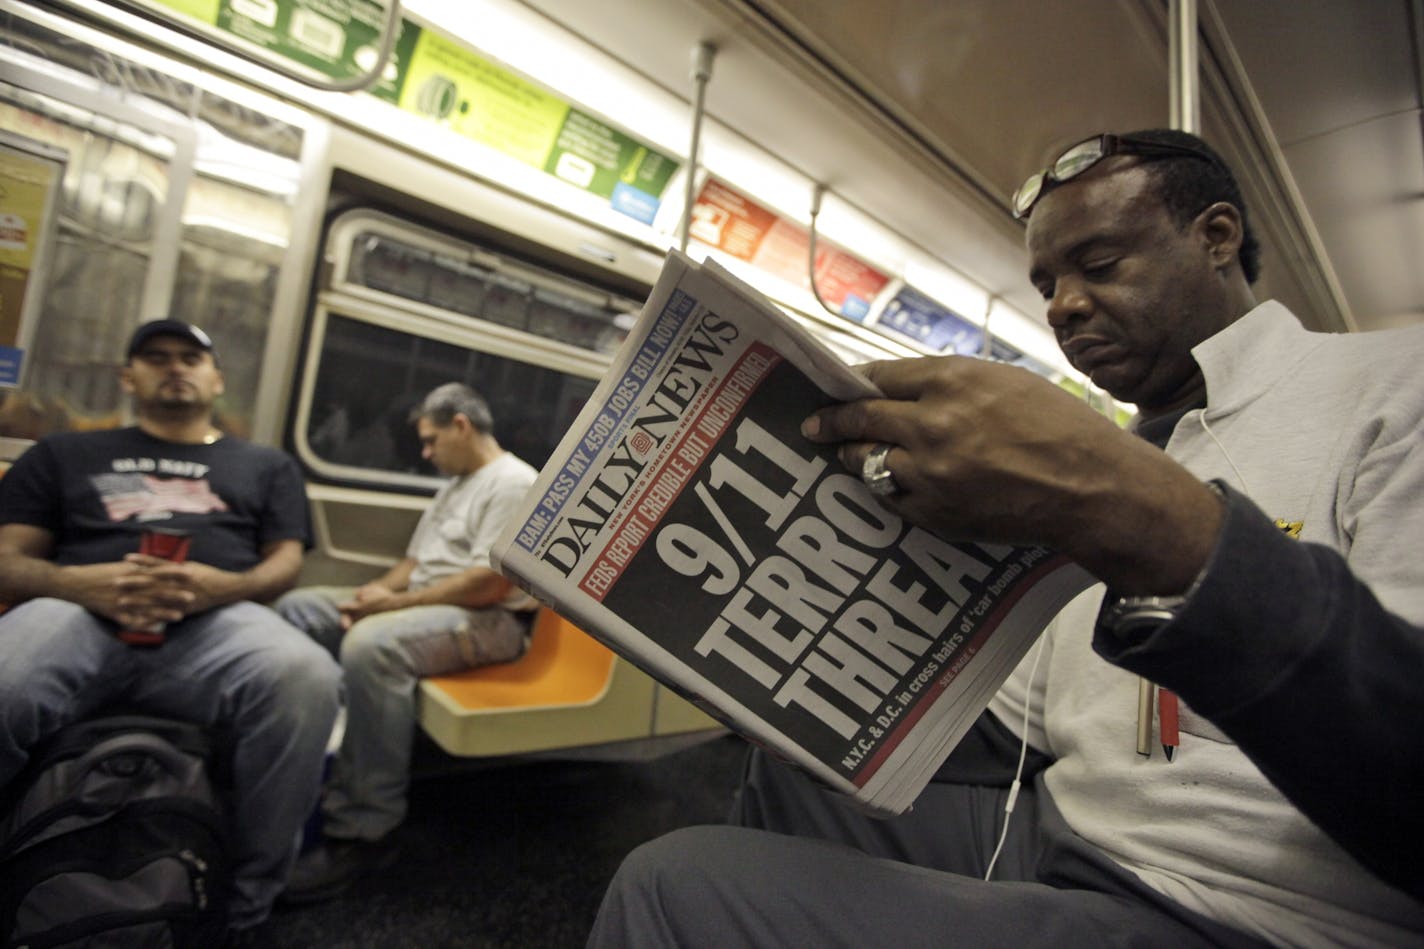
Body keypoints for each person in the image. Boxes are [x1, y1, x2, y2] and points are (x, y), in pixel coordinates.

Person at [588, 130, 1424, 947]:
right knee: (793, 778)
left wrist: (1119, 500)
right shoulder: (1112, 454)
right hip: (1067, 836)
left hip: (1243, 908)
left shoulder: (1391, 389)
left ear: (1216, 237)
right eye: (1047, 282)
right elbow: (1013, 724)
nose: (1063, 303)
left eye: (1098, 266)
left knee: (674, 883)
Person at [0, 319, 342, 942]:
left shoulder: (264, 464)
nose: (175, 367)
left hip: (214, 620)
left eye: (191, 357)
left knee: (307, 678)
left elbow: (285, 563)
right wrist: (83, 584)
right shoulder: (65, 453)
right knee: (4, 681)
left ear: (216, 379)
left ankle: (245, 905)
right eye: (156, 358)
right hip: (77, 609)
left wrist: (224, 586)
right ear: (129, 378)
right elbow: (9, 558)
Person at [277, 382, 539, 902]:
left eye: (430, 440)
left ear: (461, 426)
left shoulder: (512, 482)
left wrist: (390, 607)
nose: (425, 453)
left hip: (489, 621)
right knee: (299, 609)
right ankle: (310, 758)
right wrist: (377, 591)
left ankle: (366, 828)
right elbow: (415, 565)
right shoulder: (454, 484)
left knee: (372, 647)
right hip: (432, 603)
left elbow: (490, 584)